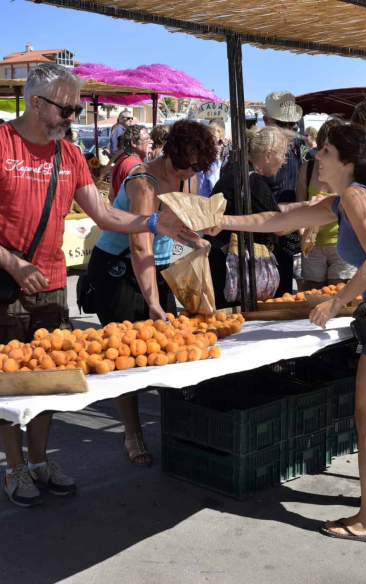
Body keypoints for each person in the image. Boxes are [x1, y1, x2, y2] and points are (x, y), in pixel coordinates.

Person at [205, 123, 366, 544]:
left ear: (346, 161)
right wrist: (224, 222)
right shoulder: (347, 199)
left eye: (324, 151)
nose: (316, 158)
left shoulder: (355, 196)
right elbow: (280, 219)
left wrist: (335, 301)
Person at [0, 64, 199, 507]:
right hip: (5, 284)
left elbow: (105, 215)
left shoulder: (68, 154)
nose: (72, 117)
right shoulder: (0, 143)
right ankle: (14, 469)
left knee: (48, 380)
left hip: (50, 284)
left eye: (75, 109)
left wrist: (154, 222)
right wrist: (12, 263)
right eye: (66, 109)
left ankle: (39, 462)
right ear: (36, 102)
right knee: (7, 382)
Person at [87, 120, 215, 465]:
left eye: (193, 168)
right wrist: (154, 303)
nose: (185, 172)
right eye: (181, 164)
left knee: (165, 347)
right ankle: (133, 432)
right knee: (124, 354)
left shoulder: (186, 175)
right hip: (118, 266)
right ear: (167, 151)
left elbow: (174, 227)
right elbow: (139, 247)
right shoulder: (144, 182)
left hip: (154, 266)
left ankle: (175, 427)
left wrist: (197, 239)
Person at [207, 126, 303, 308]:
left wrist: (303, 206)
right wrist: (308, 218)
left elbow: (267, 209)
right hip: (233, 267)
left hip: (223, 261)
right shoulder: (252, 180)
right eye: (282, 155)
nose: (284, 162)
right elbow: (279, 225)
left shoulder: (238, 171)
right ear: (267, 155)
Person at [296, 118, 356, 290]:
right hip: (313, 245)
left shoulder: (350, 172)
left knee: (338, 295)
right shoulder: (307, 168)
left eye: (329, 149)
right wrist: (304, 236)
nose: (321, 153)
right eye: (323, 147)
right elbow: (299, 207)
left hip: (343, 245)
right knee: (314, 295)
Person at [263, 91, 304, 295]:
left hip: (291, 225)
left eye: (292, 124)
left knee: (286, 289)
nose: (288, 129)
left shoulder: (297, 146)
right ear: (266, 121)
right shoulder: (259, 150)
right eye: (282, 123)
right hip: (266, 227)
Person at [109, 125, 153, 204]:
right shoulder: (137, 167)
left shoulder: (120, 161)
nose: (151, 141)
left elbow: (111, 196)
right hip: (131, 214)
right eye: (147, 139)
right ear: (133, 142)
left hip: (119, 213)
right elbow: (142, 200)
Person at [196, 123, 225, 198]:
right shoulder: (213, 162)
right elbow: (214, 189)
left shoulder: (198, 158)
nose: (222, 145)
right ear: (210, 143)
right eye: (219, 142)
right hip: (208, 204)